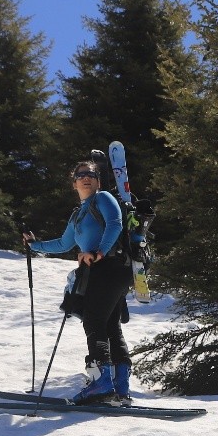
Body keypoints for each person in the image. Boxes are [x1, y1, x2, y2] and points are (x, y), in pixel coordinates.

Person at [23, 160, 134, 404]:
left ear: (98, 181)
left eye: (91, 175)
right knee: (110, 325)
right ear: (74, 183)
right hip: (108, 269)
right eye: (80, 175)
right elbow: (64, 244)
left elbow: (115, 223)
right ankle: (121, 387)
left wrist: (100, 251)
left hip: (109, 265)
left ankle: (102, 383)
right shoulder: (78, 214)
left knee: (94, 321)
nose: (86, 178)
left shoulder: (103, 198)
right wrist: (35, 245)